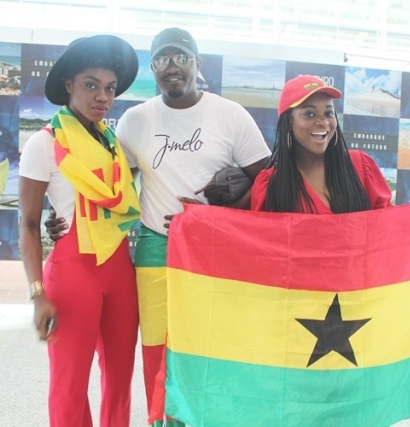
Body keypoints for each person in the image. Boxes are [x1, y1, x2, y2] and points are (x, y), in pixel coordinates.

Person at [46, 27, 272, 425]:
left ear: (197, 64)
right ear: (153, 69)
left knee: (209, 343)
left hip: (214, 248)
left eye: (181, 57)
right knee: (156, 348)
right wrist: (60, 214)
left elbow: (268, 182)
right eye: (162, 59)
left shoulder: (230, 115)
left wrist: (215, 214)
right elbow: (107, 182)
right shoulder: (135, 120)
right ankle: (159, 419)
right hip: (155, 246)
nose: (172, 66)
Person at [18, 35, 141, 427]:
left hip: (120, 267)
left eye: (108, 88)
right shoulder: (45, 143)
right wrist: (37, 293)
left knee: (120, 378)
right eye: (90, 85)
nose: (101, 96)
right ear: (69, 85)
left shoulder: (114, 144)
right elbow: (29, 224)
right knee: (70, 382)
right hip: (73, 271)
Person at [250, 74, 393, 213]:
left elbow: (387, 224)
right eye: (309, 114)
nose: (323, 122)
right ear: (288, 122)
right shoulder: (271, 185)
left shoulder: (361, 165)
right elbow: (263, 235)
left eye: (329, 113)